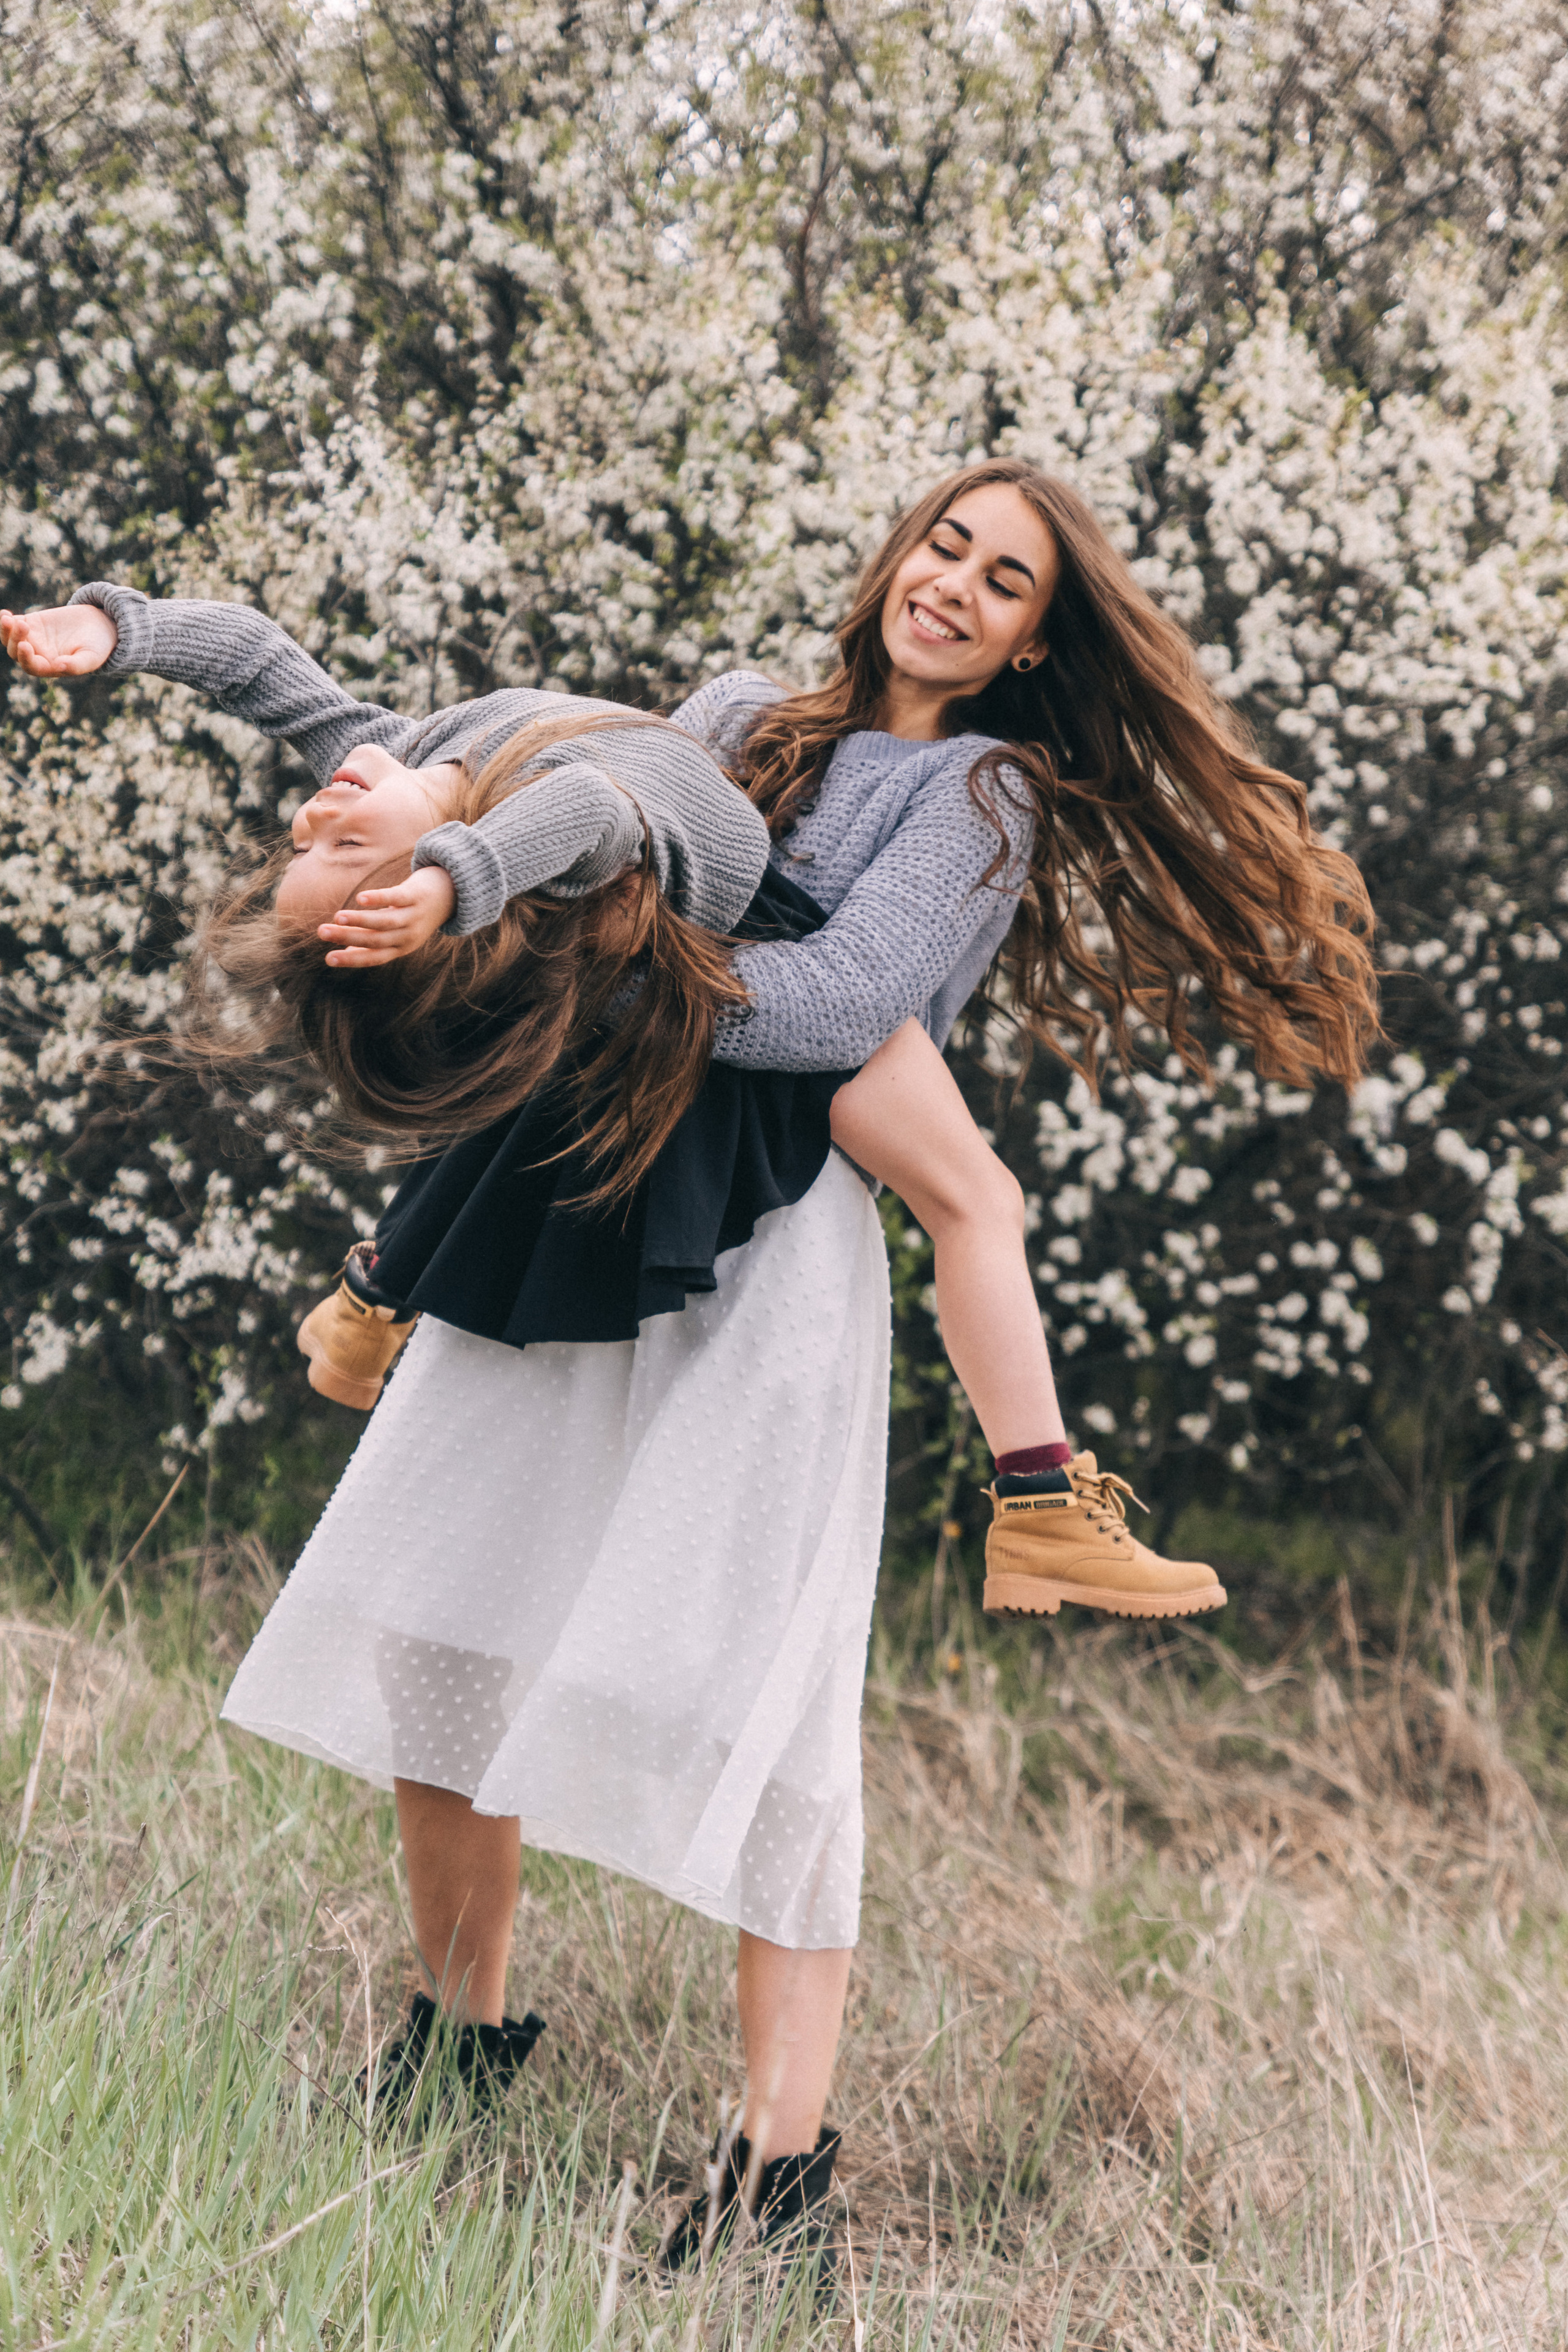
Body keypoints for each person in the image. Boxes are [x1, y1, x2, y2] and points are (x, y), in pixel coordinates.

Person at [0, 458, 1377, 2263]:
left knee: (769, 1708)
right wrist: (124, 635)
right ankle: (460, 2038)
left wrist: (597, 950)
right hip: (582, 1194)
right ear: (897, 556)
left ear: (1041, 638)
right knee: (439, 1615)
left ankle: (774, 2176)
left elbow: (828, 1008)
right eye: (944, 547)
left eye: (1007, 581)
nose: (956, 587)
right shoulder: (737, 713)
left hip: (771, 1243)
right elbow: (507, 774)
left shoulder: (978, 792)